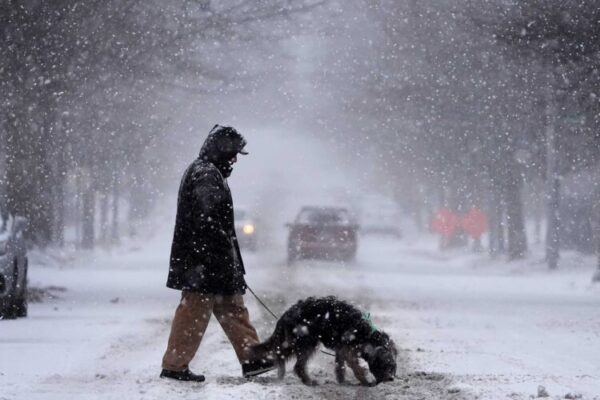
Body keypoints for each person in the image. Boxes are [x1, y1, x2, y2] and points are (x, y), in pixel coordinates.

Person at [160, 125, 274, 382]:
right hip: (203, 262)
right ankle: (174, 366)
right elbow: (207, 220)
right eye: (232, 154)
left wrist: (229, 261)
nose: (234, 160)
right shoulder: (205, 175)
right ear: (220, 151)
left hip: (211, 261)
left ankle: (253, 359)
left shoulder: (208, 172)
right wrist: (221, 255)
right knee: (194, 313)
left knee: (233, 308)